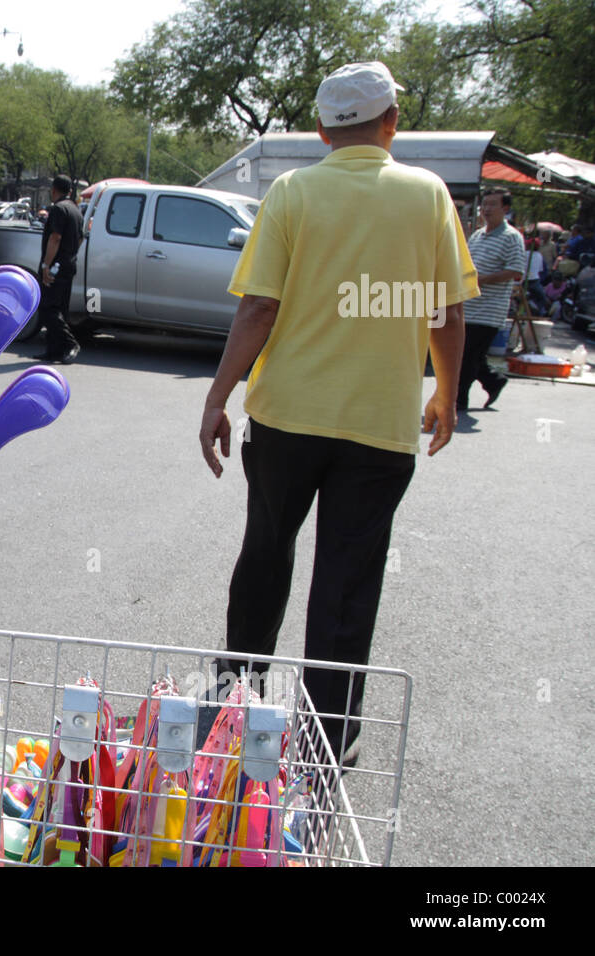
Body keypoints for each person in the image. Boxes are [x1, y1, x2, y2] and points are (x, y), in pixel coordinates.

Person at [199, 61, 476, 763]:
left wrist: (218, 396)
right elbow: (446, 311)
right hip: (379, 428)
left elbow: (259, 307)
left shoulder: (292, 193)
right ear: (392, 123)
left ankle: (236, 701)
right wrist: (444, 391)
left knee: (265, 555)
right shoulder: (429, 195)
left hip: (287, 418)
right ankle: (329, 737)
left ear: (322, 130)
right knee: (348, 580)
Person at [458, 188, 524, 410]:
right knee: (472, 355)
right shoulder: (478, 235)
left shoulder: (512, 237)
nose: (486, 209)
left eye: (492, 205)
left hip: (489, 310)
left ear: (505, 208)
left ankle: (459, 401)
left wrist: (482, 280)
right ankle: (494, 381)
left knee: (466, 356)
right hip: (468, 305)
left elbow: (515, 270)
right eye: (484, 204)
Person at [34, 174, 84, 364]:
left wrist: (46, 265)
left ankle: (70, 343)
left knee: (47, 308)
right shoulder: (76, 210)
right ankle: (54, 350)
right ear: (70, 191)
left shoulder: (58, 209)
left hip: (55, 266)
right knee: (59, 308)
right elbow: (81, 238)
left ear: (53, 190)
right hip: (68, 264)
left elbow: (55, 237)